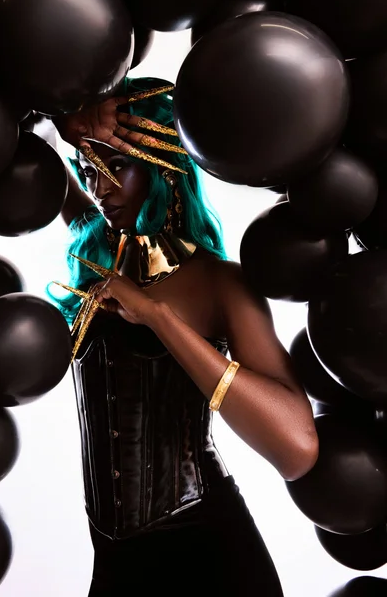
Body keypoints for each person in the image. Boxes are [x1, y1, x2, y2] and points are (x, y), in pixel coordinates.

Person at [48, 76, 319, 596]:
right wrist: (69, 120)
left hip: (209, 554)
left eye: (115, 165)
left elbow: (298, 448)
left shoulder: (221, 284)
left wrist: (158, 317)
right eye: (88, 168)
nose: (99, 188)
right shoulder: (95, 250)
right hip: (114, 559)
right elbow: (25, 138)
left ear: (162, 165)